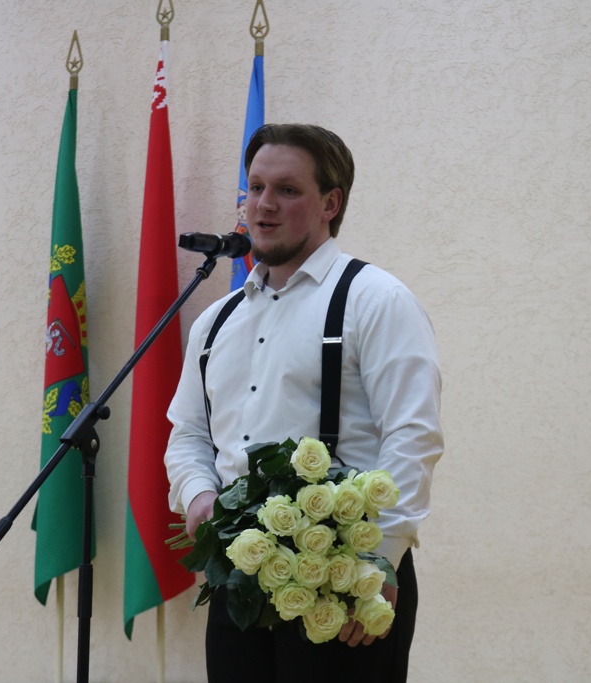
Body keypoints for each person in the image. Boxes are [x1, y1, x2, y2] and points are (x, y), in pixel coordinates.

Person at [164, 123, 443, 682]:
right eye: (255, 187)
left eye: (287, 190)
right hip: (239, 581)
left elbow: (413, 436)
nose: (263, 205)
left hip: (347, 582)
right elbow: (189, 434)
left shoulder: (376, 300)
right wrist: (198, 496)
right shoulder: (216, 321)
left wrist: (380, 561)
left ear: (330, 204)